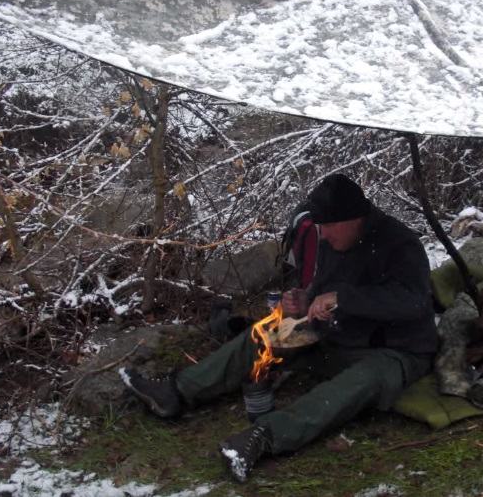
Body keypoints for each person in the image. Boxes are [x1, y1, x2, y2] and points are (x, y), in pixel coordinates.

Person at [120, 174, 437, 482]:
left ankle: (265, 436)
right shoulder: (333, 240)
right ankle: (178, 391)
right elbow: (322, 287)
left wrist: (343, 298)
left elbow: (413, 303)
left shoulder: (400, 244)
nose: (323, 236)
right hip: (339, 338)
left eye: (327, 227)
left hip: (396, 351)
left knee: (361, 380)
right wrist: (304, 299)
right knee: (269, 333)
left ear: (352, 218)